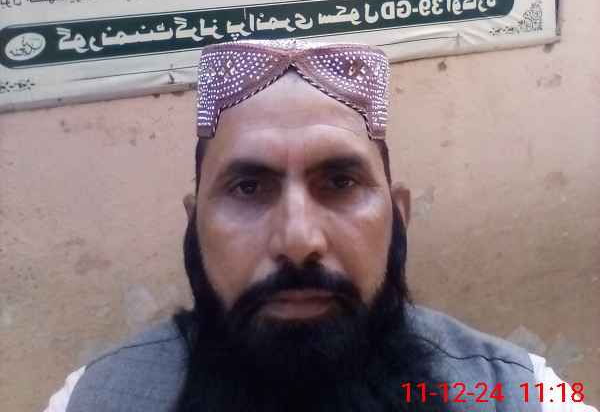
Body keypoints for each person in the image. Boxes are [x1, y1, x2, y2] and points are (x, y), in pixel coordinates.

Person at [45, 40, 596, 411]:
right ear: (195, 227)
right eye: (248, 187)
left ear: (397, 215)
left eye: (340, 182)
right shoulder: (89, 400)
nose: (299, 241)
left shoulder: (525, 391)